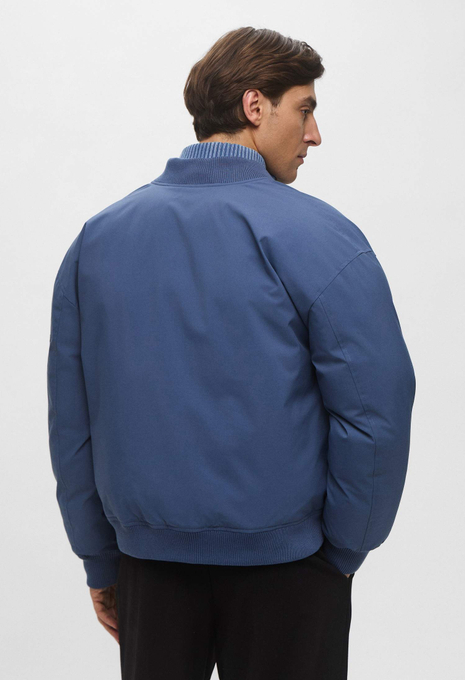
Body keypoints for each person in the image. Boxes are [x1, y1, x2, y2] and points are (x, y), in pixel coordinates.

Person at [47, 26, 416, 680]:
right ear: (255, 106)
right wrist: (343, 549)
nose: (314, 134)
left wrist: (100, 560)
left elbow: (73, 424)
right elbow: (374, 412)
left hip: (148, 569)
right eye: (304, 109)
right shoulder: (321, 236)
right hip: (290, 571)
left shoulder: (97, 241)